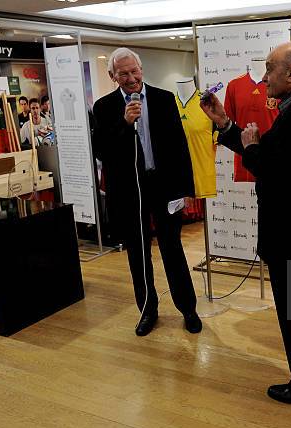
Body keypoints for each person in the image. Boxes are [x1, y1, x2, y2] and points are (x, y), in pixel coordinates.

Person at [200, 42, 291, 405]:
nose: (264, 77)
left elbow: (277, 173)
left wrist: (251, 149)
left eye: (269, 69)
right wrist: (226, 125)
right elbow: (277, 157)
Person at [92, 47, 201, 336]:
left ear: (141, 70)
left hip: (164, 187)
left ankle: (188, 308)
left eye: (134, 71)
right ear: (112, 76)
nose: (131, 78)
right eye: (123, 73)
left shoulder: (165, 99)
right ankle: (147, 310)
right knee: (138, 255)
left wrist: (186, 189)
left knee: (172, 250)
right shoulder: (103, 108)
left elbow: (180, 147)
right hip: (129, 191)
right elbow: (102, 150)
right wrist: (125, 123)